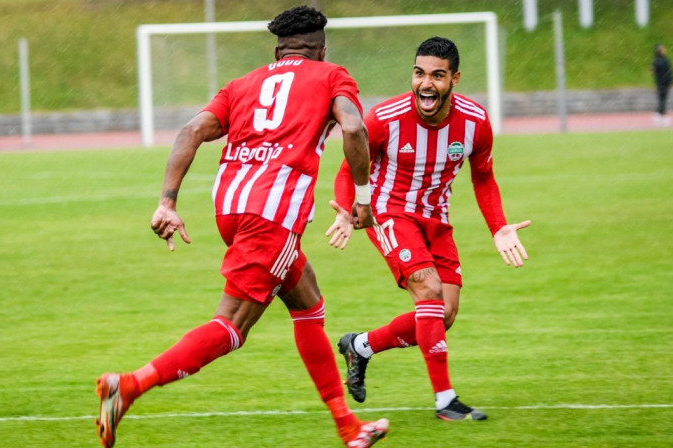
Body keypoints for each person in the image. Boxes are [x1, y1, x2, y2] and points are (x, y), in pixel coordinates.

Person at [94, 6, 389, 448]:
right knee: (232, 327)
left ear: (278, 50)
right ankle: (130, 385)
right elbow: (353, 127)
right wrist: (362, 199)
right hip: (272, 217)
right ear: (322, 49)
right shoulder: (331, 75)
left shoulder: (243, 84)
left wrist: (167, 203)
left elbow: (191, 131)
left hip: (231, 209)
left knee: (307, 299)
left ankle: (348, 426)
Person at [326, 37, 531, 421]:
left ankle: (361, 346)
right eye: (419, 73)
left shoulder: (475, 122)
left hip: (436, 219)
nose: (426, 83)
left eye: (437, 76)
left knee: (444, 313)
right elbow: (348, 167)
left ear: (454, 78)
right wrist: (345, 209)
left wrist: (499, 228)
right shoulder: (385, 118)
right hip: (389, 212)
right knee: (430, 291)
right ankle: (445, 401)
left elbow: (484, 178)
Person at [650, 44, 673, 126]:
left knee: (662, 98)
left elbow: (669, 71)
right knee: (662, 98)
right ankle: (661, 115)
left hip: (664, 82)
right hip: (661, 82)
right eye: (662, 49)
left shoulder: (662, 60)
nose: (663, 50)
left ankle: (659, 114)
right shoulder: (658, 60)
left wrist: (671, 81)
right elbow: (654, 71)